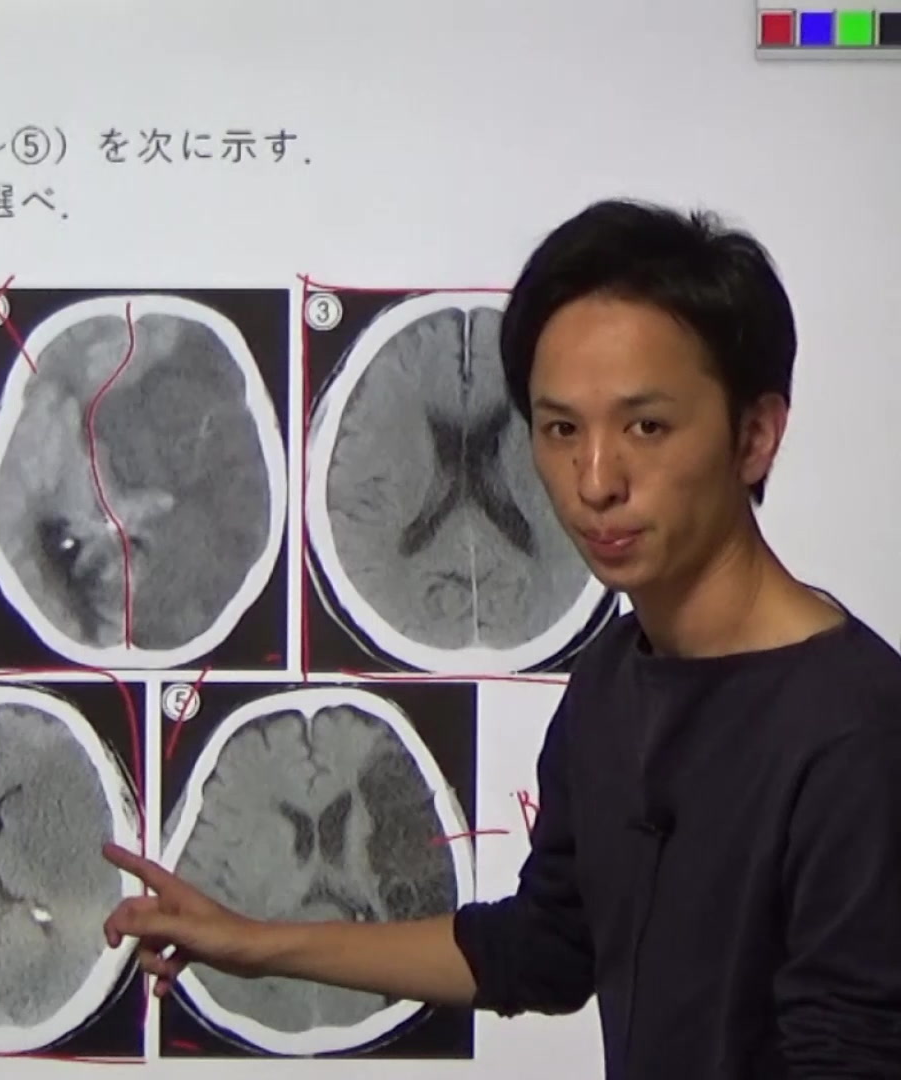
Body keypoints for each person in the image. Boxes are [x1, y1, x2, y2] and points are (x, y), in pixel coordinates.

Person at [100, 198, 901, 1077]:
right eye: (561, 430)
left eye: (646, 426)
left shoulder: (858, 729)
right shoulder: (613, 676)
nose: (595, 480)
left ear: (754, 436)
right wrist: (254, 943)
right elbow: (548, 948)